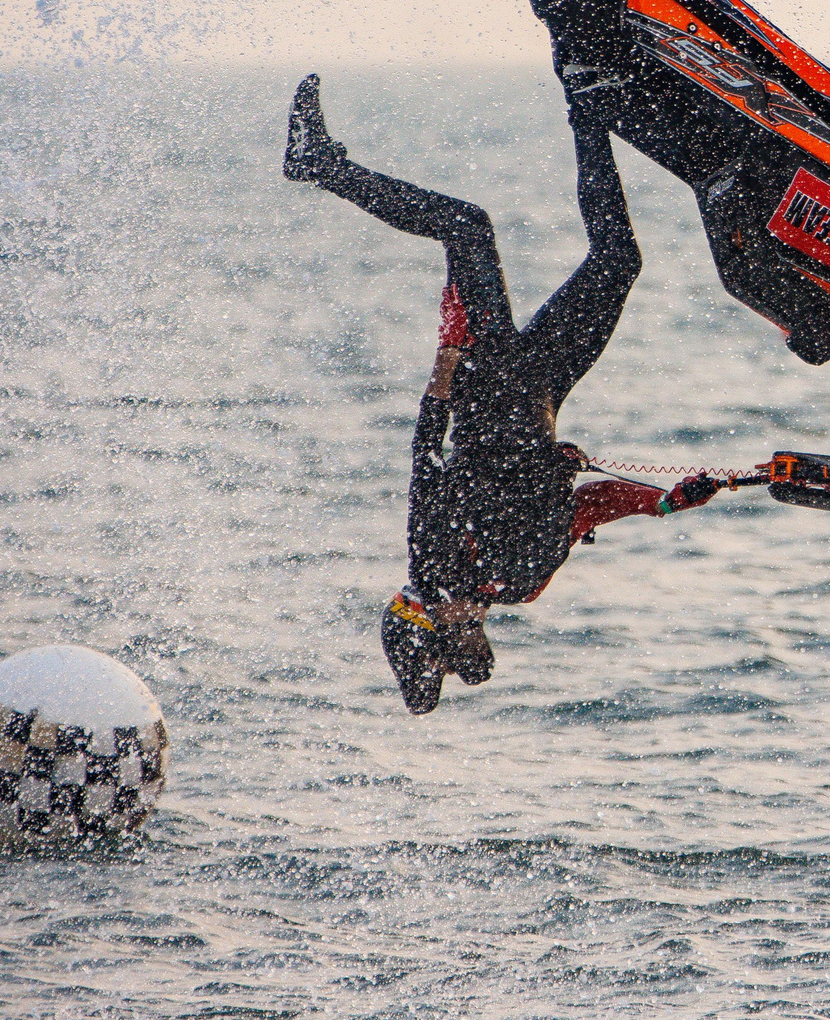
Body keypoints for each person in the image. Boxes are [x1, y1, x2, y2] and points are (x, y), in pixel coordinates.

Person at [282, 73, 715, 713]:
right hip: (538, 389)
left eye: (419, 602)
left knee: (467, 227)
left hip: (487, 388)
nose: (428, 596)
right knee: (618, 261)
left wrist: (449, 353)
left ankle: (318, 165)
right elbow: (592, 508)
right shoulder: (525, 583)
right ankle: (590, 109)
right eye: (429, 610)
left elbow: (425, 451)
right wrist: (668, 504)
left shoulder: (435, 557)